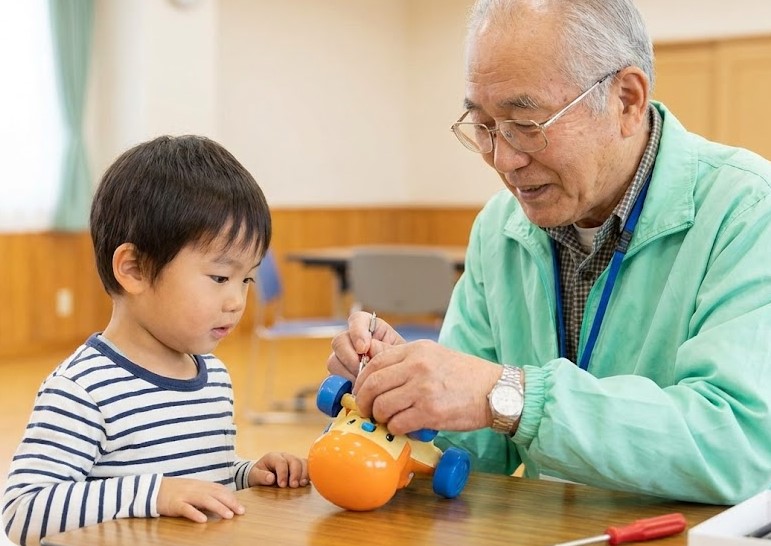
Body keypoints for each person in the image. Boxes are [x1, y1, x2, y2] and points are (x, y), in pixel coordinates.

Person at [328, 0, 771, 505]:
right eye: (485, 126)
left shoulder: (748, 211)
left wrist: (510, 396)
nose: (504, 159)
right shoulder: (501, 227)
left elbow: (741, 447)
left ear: (626, 100)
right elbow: (472, 455)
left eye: (527, 123)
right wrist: (403, 392)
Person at [2, 135, 309, 546]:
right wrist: (155, 493)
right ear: (135, 269)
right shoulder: (84, 388)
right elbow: (24, 511)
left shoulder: (213, 376)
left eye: (247, 279)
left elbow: (198, 478)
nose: (237, 301)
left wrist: (245, 475)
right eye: (219, 278)